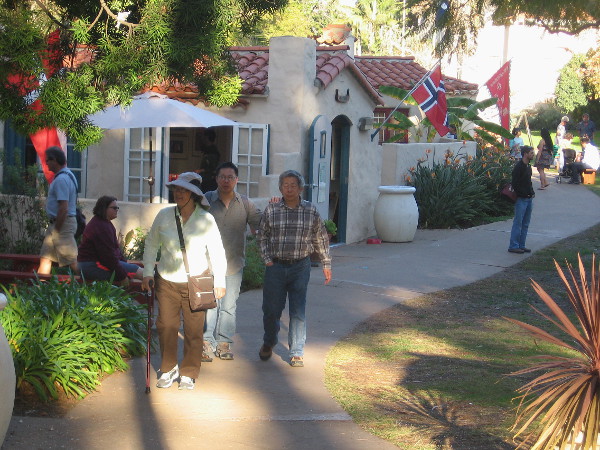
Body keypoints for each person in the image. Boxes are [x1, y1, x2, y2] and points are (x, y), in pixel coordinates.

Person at [142, 172, 227, 390]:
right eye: (177, 190)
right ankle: (169, 369)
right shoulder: (164, 215)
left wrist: (219, 281)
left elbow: (217, 251)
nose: (179, 194)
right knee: (166, 326)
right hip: (167, 281)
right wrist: (148, 273)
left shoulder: (206, 219)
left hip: (196, 282)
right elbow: (152, 244)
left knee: (193, 330)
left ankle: (189, 372)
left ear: (194, 195)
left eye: (184, 190)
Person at [258, 170, 332, 368]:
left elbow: (321, 238)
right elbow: (262, 236)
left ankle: (297, 351)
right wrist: (267, 259)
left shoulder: (310, 210)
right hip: (275, 266)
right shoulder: (272, 209)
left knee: (298, 310)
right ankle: (269, 340)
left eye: (293, 185)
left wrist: (326, 263)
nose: (289, 188)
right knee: (271, 309)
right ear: (280, 188)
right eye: (285, 185)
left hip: (300, 266)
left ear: (300, 188)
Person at [203, 162, 262, 361]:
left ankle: (224, 342)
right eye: (223, 177)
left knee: (229, 306)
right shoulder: (206, 201)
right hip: (208, 264)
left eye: (230, 177)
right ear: (217, 179)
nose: (226, 181)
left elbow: (260, 225)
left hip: (234, 263)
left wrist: (275, 205)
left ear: (236, 180)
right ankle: (206, 342)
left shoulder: (245, 203)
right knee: (210, 304)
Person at [77, 196, 143, 285]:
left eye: (117, 208)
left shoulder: (104, 223)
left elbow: (115, 251)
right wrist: (122, 275)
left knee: (140, 271)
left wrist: (124, 264)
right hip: (92, 265)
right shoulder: (100, 226)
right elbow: (107, 256)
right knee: (141, 273)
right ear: (104, 208)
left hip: (97, 263)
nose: (117, 210)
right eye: (114, 208)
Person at [38, 146, 79, 275]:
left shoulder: (61, 179)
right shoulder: (68, 175)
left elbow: (63, 208)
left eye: (48, 160)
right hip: (57, 224)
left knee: (72, 261)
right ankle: (40, 289)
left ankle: (90, 286)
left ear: (55, 160)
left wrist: (56, 230)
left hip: (62, 225)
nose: (46, 163)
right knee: (45, 258)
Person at [508, 146, 535, 254]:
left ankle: (521, 245)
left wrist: (531, 192)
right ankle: (513, 245)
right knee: (518, 222)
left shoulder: (528, 166)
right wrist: (521, 194)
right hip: (521, 199)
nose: (533, 155)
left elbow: (529, 181)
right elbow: (515, 183)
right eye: (531, 153)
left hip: (529, 198)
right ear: (525, 154)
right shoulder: (519, 167)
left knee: (525, 223)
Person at [199, 128, 220, 193]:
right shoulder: (207, 150)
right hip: (205, 179)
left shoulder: (212, 151)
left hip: (209, 180)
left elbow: (212, 168)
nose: (202, 138)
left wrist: (200, 170)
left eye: (204, 136)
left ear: (207, 137)